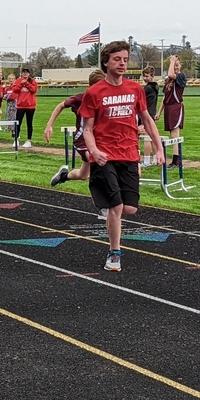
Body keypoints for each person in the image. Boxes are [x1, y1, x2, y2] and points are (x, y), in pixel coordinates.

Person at [79, 41, 164, 272]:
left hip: (129, 155)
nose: (122, 63)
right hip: (105, 157)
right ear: (106, 62)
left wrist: (159, 149)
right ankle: (114, 253)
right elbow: (87, 129)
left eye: (125, 59)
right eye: (117, 59)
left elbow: (147, 121)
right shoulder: (94, 92)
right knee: (116, 207)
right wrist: (94, 151)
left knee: (130, 209)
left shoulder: (135, 89)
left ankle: (109, 212)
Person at [45, 69, 105, 189]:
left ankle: (63, 176)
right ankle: (104, 198)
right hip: (82, 140)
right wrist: (49, 126)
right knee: (98, 162)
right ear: (91, 87)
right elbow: (60, 106)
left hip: (96, 140)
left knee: (83, 175)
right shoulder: (80, 99)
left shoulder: (105, 100)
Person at [154, 54, 186, 168]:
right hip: (168, 107)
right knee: (172, 134)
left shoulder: (181, 76)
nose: (175, 67)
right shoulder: (168, 80)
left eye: (177, 65)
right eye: (174, 65)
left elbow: (171, 74)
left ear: (180, 65)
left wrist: (172, 61)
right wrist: (159, 112)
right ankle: (176, 160)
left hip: (176, 107)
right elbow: (165, 97)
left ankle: (176, 160)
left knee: (175, 134)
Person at [9, 67, 39, 148]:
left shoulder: (32, 81)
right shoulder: (18, 80)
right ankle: (16, 139)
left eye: (27, 72)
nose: (25, 73)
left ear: (29, 73)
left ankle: (28, 140)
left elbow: (34, 90)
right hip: (20, 105)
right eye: (24, 72)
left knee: (29, 123)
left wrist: (26, 83)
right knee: (18, 123)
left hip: (30, 106)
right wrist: (21, 84)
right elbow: (15, 89)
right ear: (21, 73)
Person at [140, 66, 159, 167]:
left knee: (147, 137)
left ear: (152, 76)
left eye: (147, 76)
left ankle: (147, 161)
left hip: (147, 114)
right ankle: (155, 159)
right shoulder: (155, 86)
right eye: (144, 76)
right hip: (152, 113)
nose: (145, 78)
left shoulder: (147, 88)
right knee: (152, 137)